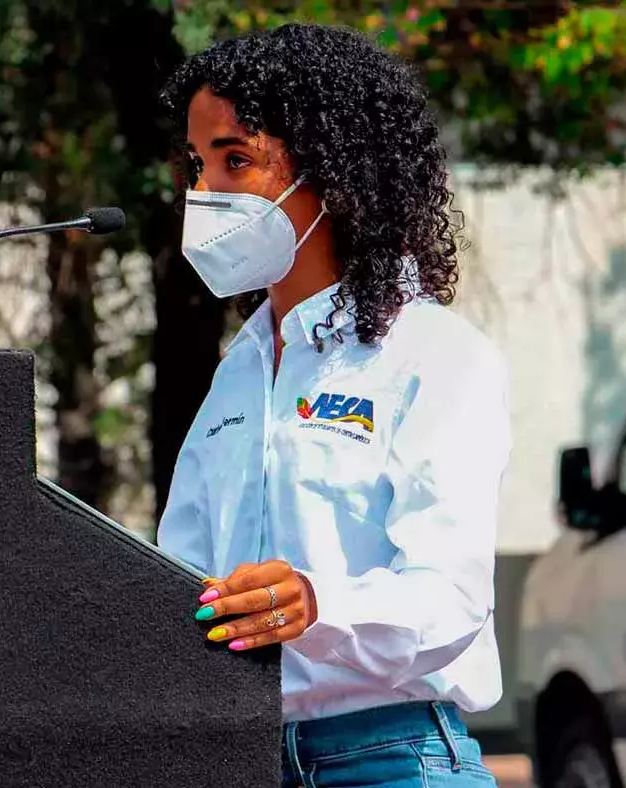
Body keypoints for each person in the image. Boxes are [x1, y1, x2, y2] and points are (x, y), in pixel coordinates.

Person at [156, 24, 511, 788]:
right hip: (238, 760)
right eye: (196, 164)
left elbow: (451, 598)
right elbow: (175, 583)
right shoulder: (237, 376)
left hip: (394, 760)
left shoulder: (433, 355)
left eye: (236, 160)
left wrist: (316, 604)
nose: (203, 193)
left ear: (334, 172)